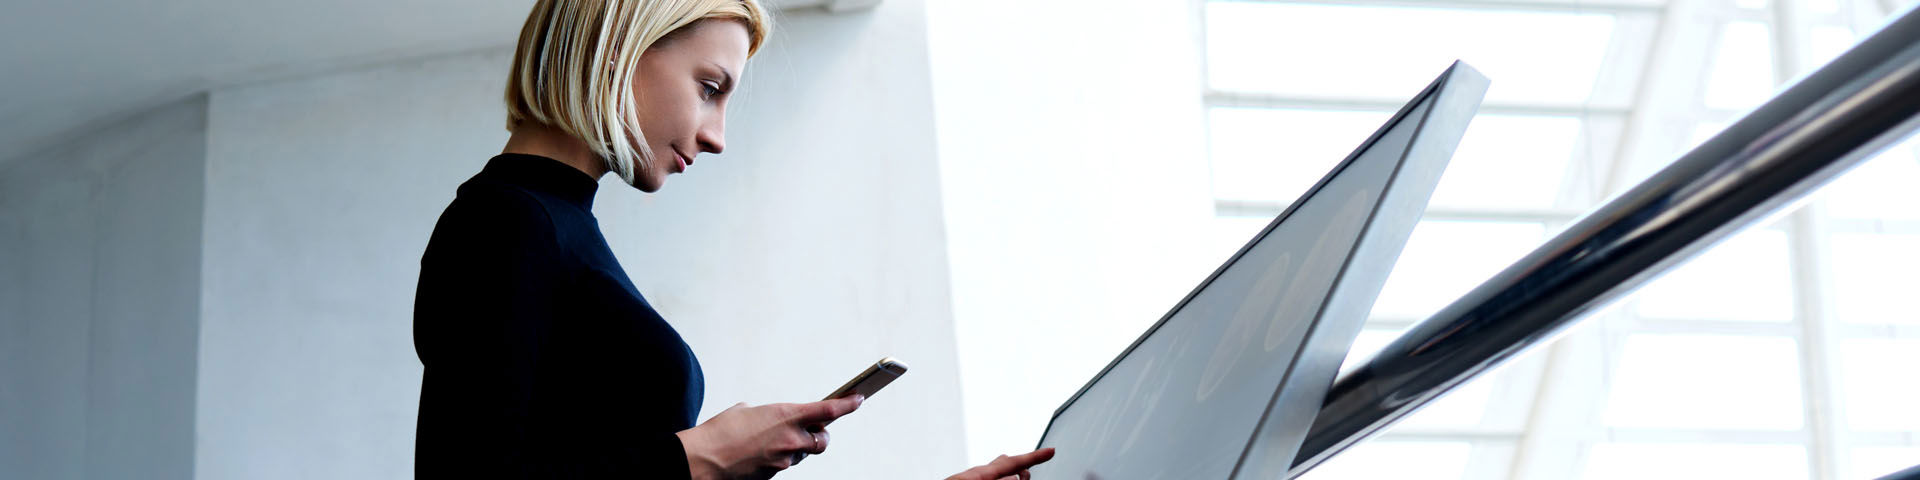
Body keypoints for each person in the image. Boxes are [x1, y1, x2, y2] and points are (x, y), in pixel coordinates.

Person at [411, 0, 1056, 478]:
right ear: (618, 53)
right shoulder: (504, 223)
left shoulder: (557, 229)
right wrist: (705, 456)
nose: (718, 134)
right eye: (710, 88)